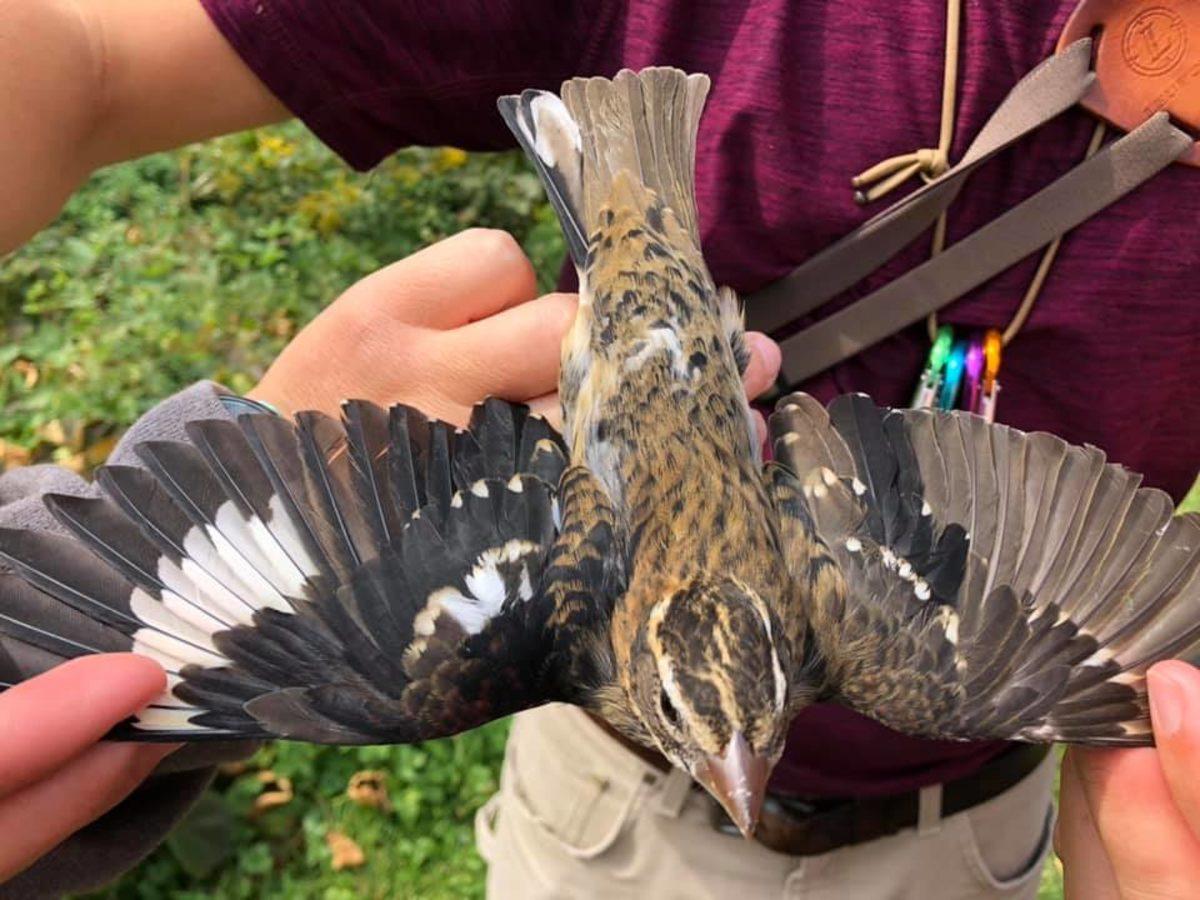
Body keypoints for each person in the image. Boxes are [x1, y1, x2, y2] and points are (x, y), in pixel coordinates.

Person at [0, 1, 1196, 897]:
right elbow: (97, 57)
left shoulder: (534, 632)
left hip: (959, 836)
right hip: (612, 820)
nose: (745, 771)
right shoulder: (552, 632)